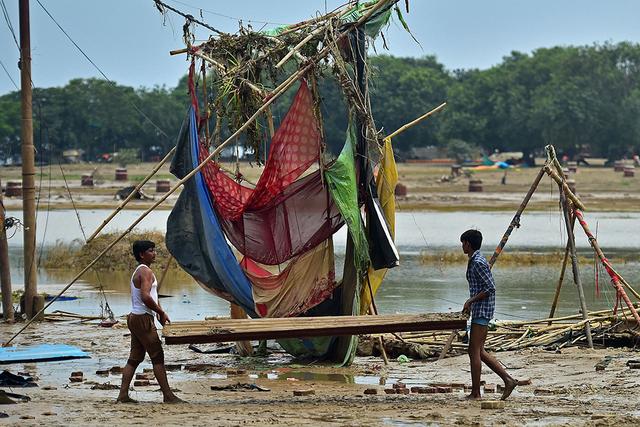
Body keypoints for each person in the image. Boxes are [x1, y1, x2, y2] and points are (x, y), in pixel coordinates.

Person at [116, 240, 183, 404]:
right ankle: (168, 396)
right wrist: (160, 311)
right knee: (157, 357)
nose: (154, 253)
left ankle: (123, 395)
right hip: (142, 319)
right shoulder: (145, 272)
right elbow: (146, 297)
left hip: (135, 317)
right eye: (151, 251)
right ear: (141, 254)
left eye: (154, 250)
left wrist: (159, 313)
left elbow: (152, 296)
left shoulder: (140, 271)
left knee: (135, 357)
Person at [460, 229, 518, 400]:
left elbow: (490, 287)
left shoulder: (478, 261)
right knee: (479, 351)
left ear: (468, 244)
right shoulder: (474, 259)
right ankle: (508, 380)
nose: (462, 246)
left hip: (483, 309)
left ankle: (476, 393)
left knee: (474, 351)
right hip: (480, 309)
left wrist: (471, 301)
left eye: (463, 243)